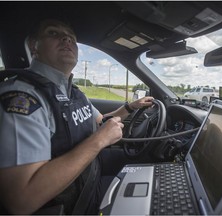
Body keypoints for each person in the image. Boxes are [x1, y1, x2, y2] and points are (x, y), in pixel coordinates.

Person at [0, 19, 154, 214]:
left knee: (146, 167)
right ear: (34, 46)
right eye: (53, 33)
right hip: (71, 206)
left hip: (89, 182)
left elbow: (101, 122)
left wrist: (130, 107)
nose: (67, 39)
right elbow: (22, 200)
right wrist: (99, 140)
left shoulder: (73, 92)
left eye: (71, 38)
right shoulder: (22, 98)